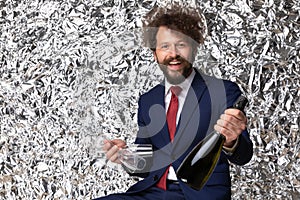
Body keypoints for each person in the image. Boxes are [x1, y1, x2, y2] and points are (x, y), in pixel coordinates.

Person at [95, 4, 253, 200]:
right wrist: (125, 156)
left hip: (200, 194)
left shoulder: (223, 91)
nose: (173, 54)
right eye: (164, 46)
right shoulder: (148, 100)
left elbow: (244, 155)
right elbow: (146, 164)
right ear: (155, 55)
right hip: (154, 193)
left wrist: (231, 140)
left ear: (194, 49)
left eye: (181, 44)